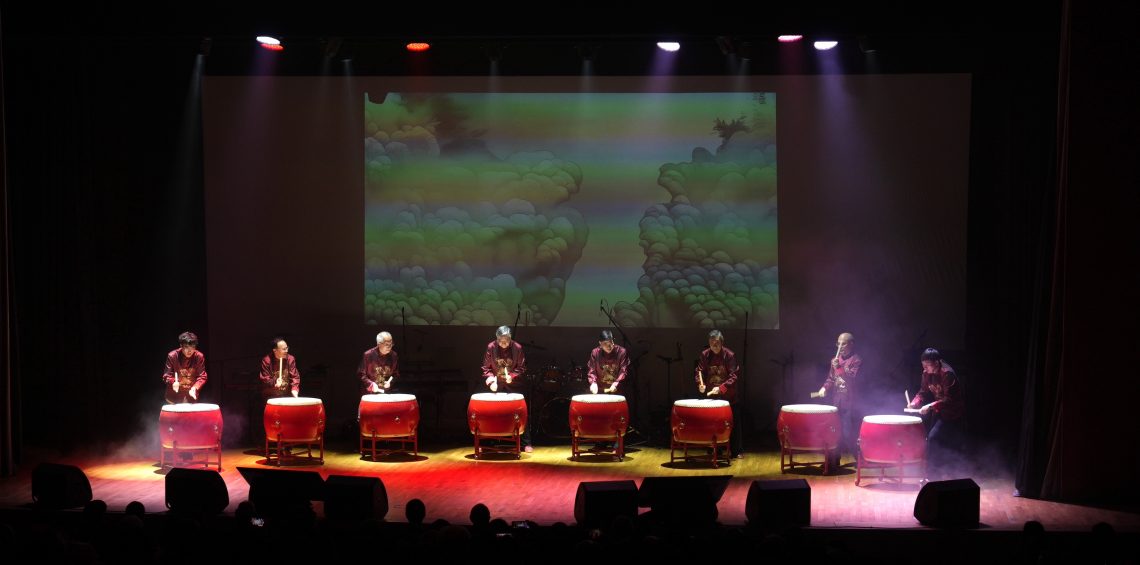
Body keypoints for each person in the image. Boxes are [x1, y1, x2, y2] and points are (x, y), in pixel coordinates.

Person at [907, 347, 965, 479]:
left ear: (937, 363)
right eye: (923, 365)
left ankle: (939, 474)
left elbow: (948, 400)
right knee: (932, 440)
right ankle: (933, 473)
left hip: (953, 413)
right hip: (939, 411)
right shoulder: (927, 373)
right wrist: (914, 403)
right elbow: (922, 392)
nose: (925, 368)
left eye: (928, 365)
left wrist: (930, 405)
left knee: (938, 440)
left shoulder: (947, 374)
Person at [815, 332, 862, 471]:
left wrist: (839, 368)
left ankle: (862, 460)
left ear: (851, 344)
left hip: (851, 402)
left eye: (844, 343)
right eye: (838, 343)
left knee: (848, 434)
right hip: (837, 402)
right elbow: (831, 378)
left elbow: (853, 379)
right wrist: (824, 388)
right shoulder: (835, 360)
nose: (840, 346)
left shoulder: (856, 360)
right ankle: (832, 461)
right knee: (834, 432)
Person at [481, 326, 531, 452]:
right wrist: (491, 380)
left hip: (514, 384)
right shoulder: (491, 347)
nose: (504, 344)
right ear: (497, 339)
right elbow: (486, 368)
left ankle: (526, 443)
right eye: (501, 341)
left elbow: (522, 367)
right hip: (497, 384)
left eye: (506, 341)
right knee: (491, 412)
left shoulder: (517, 348)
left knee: (520, 412)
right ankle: (488, 442)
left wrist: (512, 376)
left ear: (510, 338)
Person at [695, 329, 743, 458]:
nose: (713, 347)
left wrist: (721, 388)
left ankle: (736, 451)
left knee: (733, 423)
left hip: (729, 396)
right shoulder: (705, 355)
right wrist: (701, 384)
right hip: (713, 397)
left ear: (722, 343)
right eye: (711, 344)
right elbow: (699, 371)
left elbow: (733, 376)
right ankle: (714, 449)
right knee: (712, 424)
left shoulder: (729, 355)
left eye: (716, 344)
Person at [163, 332, 207, 404]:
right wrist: (173, 382)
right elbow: (166, 376)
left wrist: (195, 387)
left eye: (192, 347)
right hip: (174, 396)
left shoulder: (199, 356)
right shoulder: (172, 356)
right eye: (186, 347)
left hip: (191, 395)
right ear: (181, 345)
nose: (189, 351)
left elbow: (202, 376)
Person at [587, 330, 629, 395]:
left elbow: (623, 371)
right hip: (600, 390)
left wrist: (616, 384)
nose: (609, 346)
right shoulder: (595, 353)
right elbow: (592, 370)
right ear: (600, 344)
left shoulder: (622, 352)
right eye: (605, 343)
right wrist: (593, 383)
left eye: (611, 342)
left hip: (616, 390)